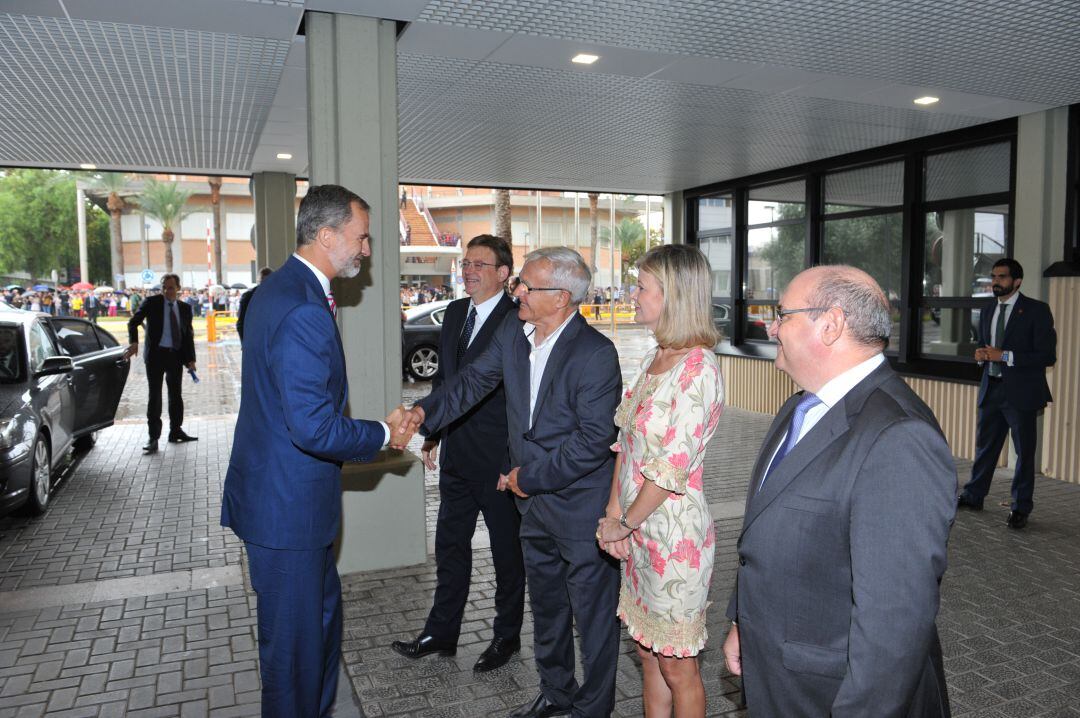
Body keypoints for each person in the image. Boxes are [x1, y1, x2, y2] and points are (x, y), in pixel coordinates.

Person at [398, 247, 623, 718]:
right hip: (532, 505)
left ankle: (593, 707)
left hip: (578, 507)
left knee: (593, 618)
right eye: (518, 282)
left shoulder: (596, 353)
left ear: (561, 297)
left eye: (527, 286)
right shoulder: (513, 335)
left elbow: (593, 440)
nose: (517, 291)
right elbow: (471, 383)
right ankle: (556, 693)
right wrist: (423, 414)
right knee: (546, 607)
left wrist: (529, 475)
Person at [722, 265, 955, 717]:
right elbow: (764, 534)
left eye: (782, 314)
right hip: (777, 667)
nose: (772, 327)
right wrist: (743, 621)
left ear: (830, 324)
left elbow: (893, 625)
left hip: (830, 692)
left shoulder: (898, 438)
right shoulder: (801, 405)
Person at [221, 185, 415, 718]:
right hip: (289, 516)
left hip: (282, 505)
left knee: (317, 639)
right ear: (327, 236)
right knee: (294, 662)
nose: (367, 250)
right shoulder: (302, 308)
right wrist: (382, 434)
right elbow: (313, 428)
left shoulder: (273, 291)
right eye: (362, 237)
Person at [596, 245, 723, 718]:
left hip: (674, 543)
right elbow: (626, 446)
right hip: (638, 532)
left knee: (678, 668)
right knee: (648, 654)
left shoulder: (698, 367)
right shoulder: (657, 356)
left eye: (642, 286)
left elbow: (670, 471)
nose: (633, 294)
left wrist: (622, 524)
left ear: (673, 295)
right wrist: (613, 516)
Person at [391, 235, 526, 672]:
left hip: (500, 462)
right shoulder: (453, 313)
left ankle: (506, 637)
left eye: (480, 264)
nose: (468, 270)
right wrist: (433, 432)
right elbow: (445, 382)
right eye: (466, 263)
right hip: (456, 456)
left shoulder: (517, 321)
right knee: (450, 546)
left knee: (507, 555)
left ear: (503, 274)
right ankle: (441, 632)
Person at [957, 258, 1056, 529]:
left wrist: (1006, 356)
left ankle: (1020, 507)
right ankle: (974, 495)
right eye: (993, 277)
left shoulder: (1036, 311)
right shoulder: (988, 309)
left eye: (1001, 277)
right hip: (991, 387)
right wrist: (981, 354)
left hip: (1021, 393)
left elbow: (1047, 355)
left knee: (1024, 452)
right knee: (985, 447)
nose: (995, 282)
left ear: (1017, 281)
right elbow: (984, 344)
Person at [124, 274, 198, 454]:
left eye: (171, 287)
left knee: (176, 395)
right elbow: (133, 322)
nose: (167, 291)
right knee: (155, 396)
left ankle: (175, 431)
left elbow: (188, 335)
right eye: (164, 287)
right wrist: (134, 342)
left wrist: (191, 360)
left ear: (178, 288)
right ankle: (153, 437)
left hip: (175, 357)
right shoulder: (152, 303)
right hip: (156, 357)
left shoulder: (185, 308)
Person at [237, 266, 273, 342]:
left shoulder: (279, 297)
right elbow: (241, 323)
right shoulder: (248, 297)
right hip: (255, 341)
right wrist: (245, 345)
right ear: (259, 281)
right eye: (264, 280)